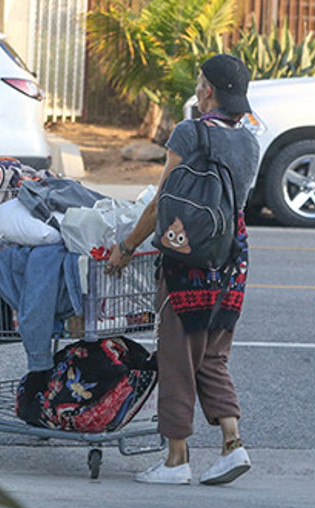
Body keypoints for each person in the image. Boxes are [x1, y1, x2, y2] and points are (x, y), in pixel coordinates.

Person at [105, 54, 259, 485]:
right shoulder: (250, 140)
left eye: (199, 81)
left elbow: (162, 201)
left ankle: (176, 461)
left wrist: (127, 246)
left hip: (187, 257)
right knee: (212, 355)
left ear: (208, 90)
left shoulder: (188, 132)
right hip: (232, 256)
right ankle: (232, 445)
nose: (196, 86)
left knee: (176, 357)